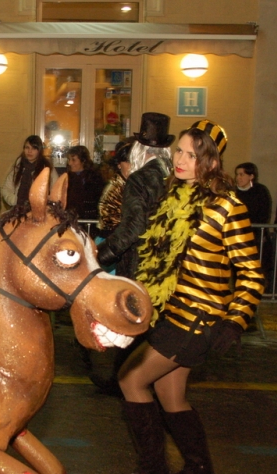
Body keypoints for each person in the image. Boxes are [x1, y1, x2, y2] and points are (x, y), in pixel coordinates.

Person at [114, 120, 264, 474]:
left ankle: (153, 468)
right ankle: (199, 469)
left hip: (197, 316)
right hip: (171, 313)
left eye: (191, 155)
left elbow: (250, 272)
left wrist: (235, 321)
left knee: (131, 380)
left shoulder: (227, 205)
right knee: (170, 394)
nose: (180, 160)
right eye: (178, 151)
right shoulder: (173, 196)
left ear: (210, 162)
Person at [93, 113, 175, 396]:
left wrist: (98, 258)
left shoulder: (139, 180)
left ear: (140, 151)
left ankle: (126, 380)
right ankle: (123, 377)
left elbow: (131, 230)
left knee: (136, 324)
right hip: (164, 269)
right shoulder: (173, 177)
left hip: (139, 267)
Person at [1, 135, 57, 209]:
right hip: (18, 210)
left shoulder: (47, 168)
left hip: (40, 211)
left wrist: (46, 204)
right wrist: (14, 200)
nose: (29, 151)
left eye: (34, 148)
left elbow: (56, 192)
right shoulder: (18, 166)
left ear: (39, 150)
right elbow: (6, 189)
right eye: (27, 147)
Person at [63, 145, 106, 224]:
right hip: (70, 220)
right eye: (69, 160)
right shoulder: (66, 177)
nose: (70, 163)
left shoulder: (95, 178)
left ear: (83, 161)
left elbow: (100, 201)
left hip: (90, 221)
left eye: (73, 160)